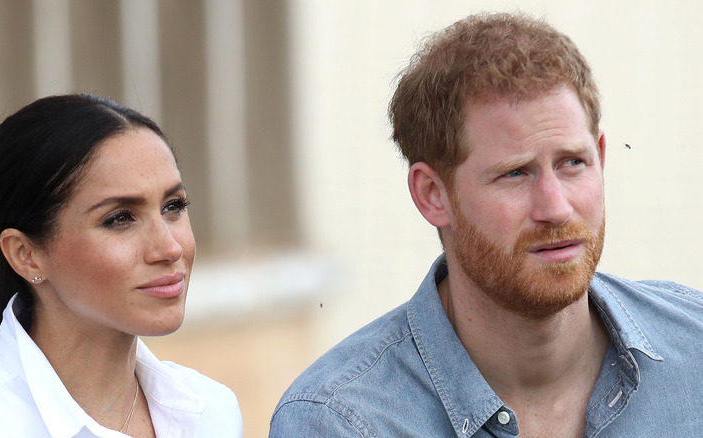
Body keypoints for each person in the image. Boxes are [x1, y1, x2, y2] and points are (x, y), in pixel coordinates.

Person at [270, 12, 703, 437]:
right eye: (515, 173)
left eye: (573, 163)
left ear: (602, 158)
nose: (555, 207)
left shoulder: (695, 350)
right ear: (432, 195)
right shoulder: (341, 422)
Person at [0, 94, 243, 437]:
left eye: (173, 206)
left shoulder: (210, 412)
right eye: (120, 218)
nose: (169, 247)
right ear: (25, 253)